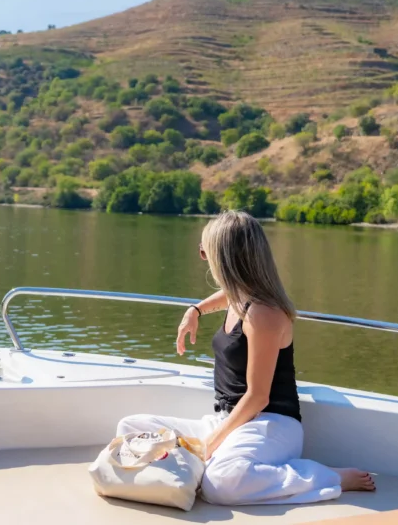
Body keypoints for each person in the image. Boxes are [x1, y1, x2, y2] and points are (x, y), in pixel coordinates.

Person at [116, 211, 375, 506]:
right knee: (131, 426)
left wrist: (209, 445)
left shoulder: (263, 314)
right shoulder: (241, 297)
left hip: (270, 425)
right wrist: (195, 310)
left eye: (205, 251)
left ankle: (328, 477)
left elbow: (257, 397)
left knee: (221, 484)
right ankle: (202, 463)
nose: (203, 258)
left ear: (224, 257)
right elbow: (228, 295)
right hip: (228, 419)